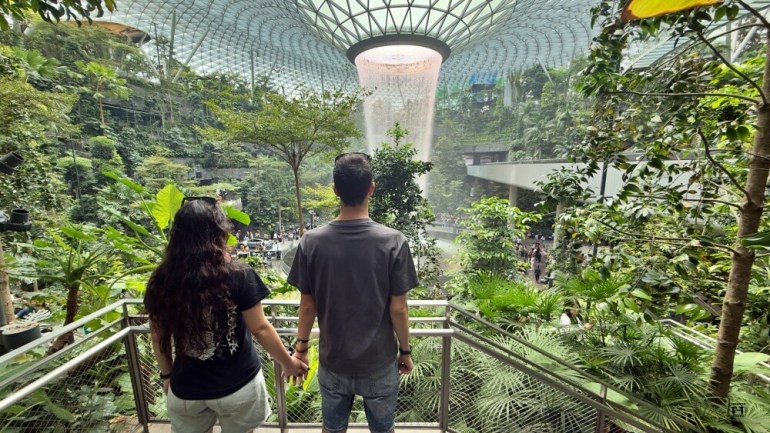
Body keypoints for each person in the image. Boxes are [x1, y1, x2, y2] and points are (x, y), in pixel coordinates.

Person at [144, 197, 307, 433]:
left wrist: (167, 375)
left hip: (187, 388)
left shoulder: (161, 279)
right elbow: (260, 329)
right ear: (219, 232)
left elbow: (158, 336)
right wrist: (288, 363)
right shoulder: (239, 274)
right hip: (238, 385)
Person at [288, 153, 419, 433]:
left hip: (333, 361)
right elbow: (399, 308)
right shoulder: (394, 241)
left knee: (333, 429)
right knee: (383, 430)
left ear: (335, 190)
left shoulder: (311, 242)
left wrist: (301, 348)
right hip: (379, 363)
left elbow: (307, 305)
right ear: (371, 188)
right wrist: (405, 351)